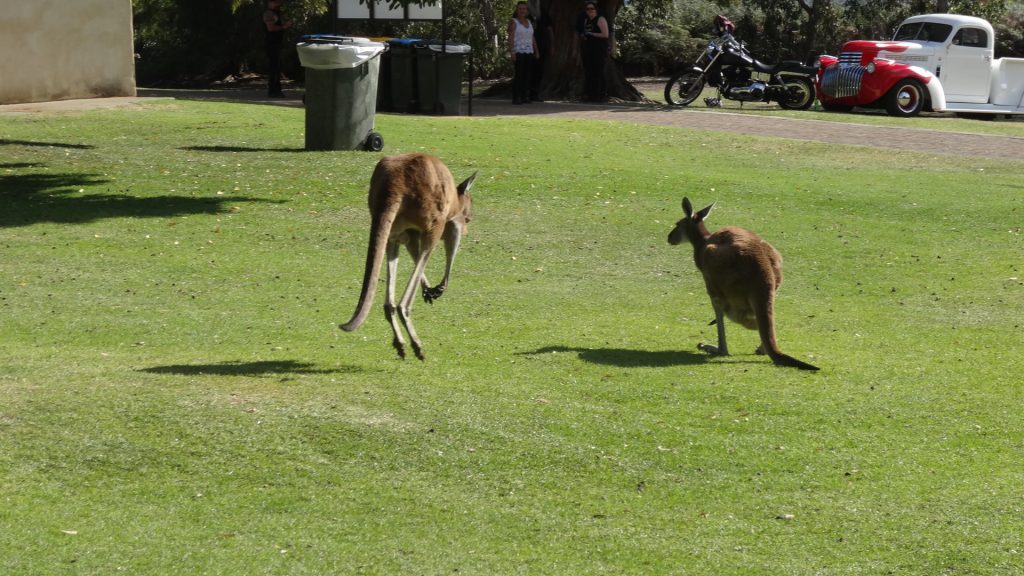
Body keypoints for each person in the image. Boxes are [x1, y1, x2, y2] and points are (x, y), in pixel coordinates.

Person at [507, 1, 539, 105]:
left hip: (529, 51)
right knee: (519, 75)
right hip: (518, 51)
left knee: (527, 75)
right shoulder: (514, 22)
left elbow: (532, 37)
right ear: (517, 10)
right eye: (520, 8)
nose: (522, 11)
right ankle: (516, 97)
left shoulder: (529, 22)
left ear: (527, 11)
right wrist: (512, 52)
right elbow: (510, 37)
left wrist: (536, 50)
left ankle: (525, 96)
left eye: (524, 9)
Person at [578, 1, 610, 102]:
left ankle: (601, 95)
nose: (590, 11)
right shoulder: (586, 21)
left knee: (599, 72)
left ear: (596, 10)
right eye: (588, 9)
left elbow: (605, 34)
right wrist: (584, 35)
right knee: (589, 73)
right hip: (588, 50)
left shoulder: (600, 19)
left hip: (599, 50)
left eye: (592, 8)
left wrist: (592, 34)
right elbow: (584, 33)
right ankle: (591, 95)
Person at [263, 0, 292, 98]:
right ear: (269, 3)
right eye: (274, 2)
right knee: (274, 68)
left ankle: (277, 90)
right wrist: (284, 26)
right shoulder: (269, 13)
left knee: (277, 67)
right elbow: (270, 28)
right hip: (271, 44)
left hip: (277, 44)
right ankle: (273, 91)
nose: (277, 4)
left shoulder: (277, 13)